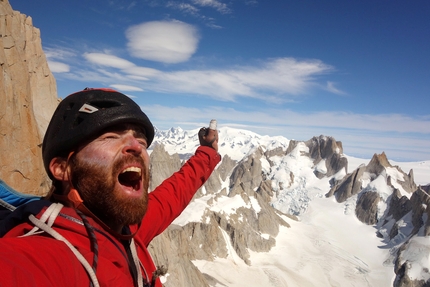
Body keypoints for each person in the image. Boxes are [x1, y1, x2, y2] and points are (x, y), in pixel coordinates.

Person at [0, 88, 221, 287]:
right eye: (110, 137)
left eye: (141, 141)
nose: (136, 146)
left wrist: (208, 152)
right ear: (62, 168)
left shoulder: (128, 230)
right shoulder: (44, 255)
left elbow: (172, 195)